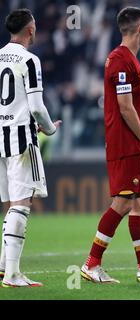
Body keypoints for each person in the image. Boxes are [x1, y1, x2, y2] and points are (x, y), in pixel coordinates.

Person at [80, 7, 140, 283]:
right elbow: (124, 107)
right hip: (127, 144)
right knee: (122, 203)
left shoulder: (133, 60)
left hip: (137, 143)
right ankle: (91, 264)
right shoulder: (120, 60)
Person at [0, 8, 61, 287]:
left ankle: (4, 267)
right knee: (21, 205)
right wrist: (49, 129)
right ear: (30, 30)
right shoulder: (30, 60)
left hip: (0, 138)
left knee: (10, 205)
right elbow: (37, 107)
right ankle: (13, 274)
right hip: (21, 140)